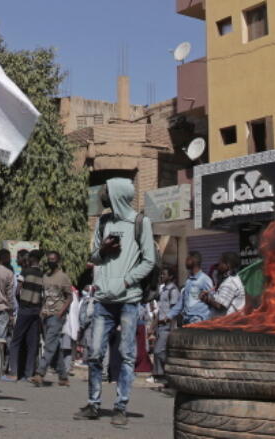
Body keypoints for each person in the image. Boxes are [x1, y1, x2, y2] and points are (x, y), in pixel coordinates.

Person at [74, 178, 155, 428]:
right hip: (103, 301)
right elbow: (93, 258)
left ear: (118, 194)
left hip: (129, 300)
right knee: (95, 353)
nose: (103, 195)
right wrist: (103, 250)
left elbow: (149, 260)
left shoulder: (141, 223)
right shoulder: (103, 222)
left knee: (127, 355)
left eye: (107, 191)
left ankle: (121, 407)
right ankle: (93, 403)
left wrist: (127, 282)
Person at [33, 250, 73, 386]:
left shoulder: (63, 277)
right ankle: (63, 377)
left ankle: (40, 373)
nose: (51, 261)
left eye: (53, 259)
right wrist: (41, 312)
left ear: (58, 261)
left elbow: (69, 297)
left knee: (50, 344)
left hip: (57, 315)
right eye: (49, 259)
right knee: (54, 345)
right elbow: (43, 297)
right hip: (45, 314)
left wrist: (61, 312)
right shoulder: (45, 277)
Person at [8, 250, 44, 381]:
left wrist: (20, 302)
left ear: (32, 259)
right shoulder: (42, 274)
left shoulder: (25, 272)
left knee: (15, 341)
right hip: (36, 311)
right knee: (32, 343)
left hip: (25, 309)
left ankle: (14, 372)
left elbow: (18, 290)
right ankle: (29, 374)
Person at [150, 268, 181, 379]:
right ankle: (161, 375)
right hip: (160, 325)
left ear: (171, 277)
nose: (161, 276)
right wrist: (153, 326)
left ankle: (168, 371)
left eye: (164, 274)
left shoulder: (173, 291)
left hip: (167, 325)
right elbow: (160, 310)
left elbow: (174, 311)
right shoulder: (163, 290)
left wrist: (169, 324)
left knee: (159, 351)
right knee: (159, 350)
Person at [172, 252, 213, 326]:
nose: (185, 262)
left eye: (187, 259)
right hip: (186, 320)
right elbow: (181, 303)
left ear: (193, 261)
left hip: (199, 321)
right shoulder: (188, 281)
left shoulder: (205, 279)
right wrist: (169, 315)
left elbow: (213, 299)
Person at [202, 252, 246, 316]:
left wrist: (206, 299)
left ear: (228, 265)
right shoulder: (231, 280)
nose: (218, 266)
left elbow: (220, 306)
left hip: (229, 324)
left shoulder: (230, 283)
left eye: (220, 263)